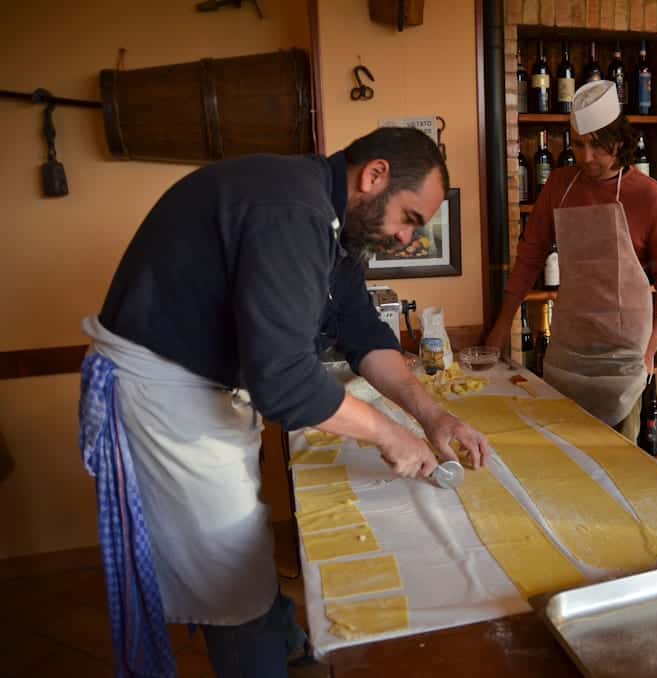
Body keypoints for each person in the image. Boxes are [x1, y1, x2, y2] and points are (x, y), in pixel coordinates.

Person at [78, 127, 489, 677]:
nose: (409, 239)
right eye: (410, 220)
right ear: (375, 177)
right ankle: (260, 656)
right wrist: (391, 435)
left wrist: (432, 416)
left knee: (244, 541)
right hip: (162, 389)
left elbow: (361, 330)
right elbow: (286, 382)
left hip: (202, 388)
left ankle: (284, 642)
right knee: (229, 571)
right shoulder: (291, 211)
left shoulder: (333, 227)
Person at [485, 81, 657, 441]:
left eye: (597, 145)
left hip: (625, 355)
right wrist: (501, 327)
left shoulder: (650, 197)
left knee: (618, 458)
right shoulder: (560, 185)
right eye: (578, 144)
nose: (586, 157)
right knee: (562, 448)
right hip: (568, 346)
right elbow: (529, 257)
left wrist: (650, 351)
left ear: (619, 142)